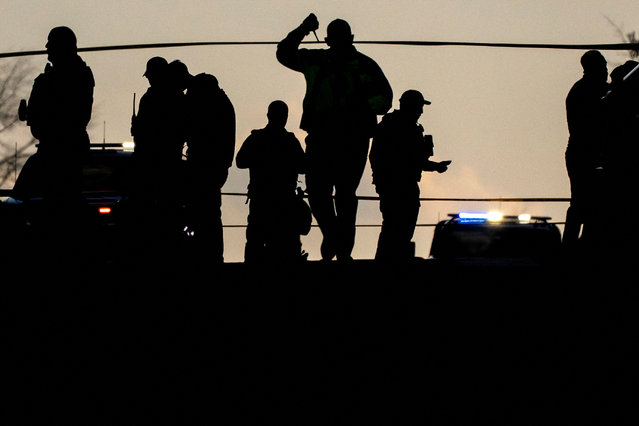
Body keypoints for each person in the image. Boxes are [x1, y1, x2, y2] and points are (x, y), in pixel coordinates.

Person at [277, 13, 393, 262]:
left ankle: (341, 250)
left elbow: (385, 98)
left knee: (344, 195)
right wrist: (303, 29)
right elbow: (284, 54)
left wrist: (359, 107)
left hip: (352, 137)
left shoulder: (363, 65)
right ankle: (335, 237)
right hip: (324, 135)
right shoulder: (316, 60)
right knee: (320, 194)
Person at [370, 90, 450, 262]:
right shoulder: (400, 127)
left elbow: (411, 160)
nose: (421, 111)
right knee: (397, 225)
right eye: (420, 107)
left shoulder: (395, 125)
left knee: (396, 226)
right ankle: (388, 262)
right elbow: (408, 159)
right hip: (399, 185)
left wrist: (432, 164)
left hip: (395, 184)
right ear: (412, 107)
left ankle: (389, 260)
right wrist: (431, 163)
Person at [22, 26, 94, 212]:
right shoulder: (77, 75)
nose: (46, 47)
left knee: (60, 202)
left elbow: (70, 114)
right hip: (64, 147)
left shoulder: (64, 78)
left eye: (51, 43)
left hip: (60, 150)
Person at [170, 61, 236, 264]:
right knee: (210, 213)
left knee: (203, 212)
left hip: (205, 162)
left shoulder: (198, 96)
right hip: (217, 163)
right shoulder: (215, 95)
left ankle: (207, 257)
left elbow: (187, 127)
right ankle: (213, 256)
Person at [236, 100, 306, 263]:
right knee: (284, 250)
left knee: (255, 246)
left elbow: (240, 161)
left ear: (268, 115)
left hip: (261, 202)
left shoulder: (257, 138)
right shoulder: (290, 141)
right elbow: (304, 166)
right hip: (284, 203)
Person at [130, 57, 186, 249]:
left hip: (155, 166)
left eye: (151, 76)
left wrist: (137, 128)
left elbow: (149, 134)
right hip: (169, 165)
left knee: (156, 215)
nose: (149, 80)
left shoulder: (153, 98)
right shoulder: (177, 97)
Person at [563, 50, 610, 252]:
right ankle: (571, 249)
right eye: (602, 66)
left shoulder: (587, 90)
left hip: (583, 154)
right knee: (582, 203)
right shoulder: (586, 92)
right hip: (583, 155)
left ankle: (577, 247)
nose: (606, 70)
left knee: (587, 204)